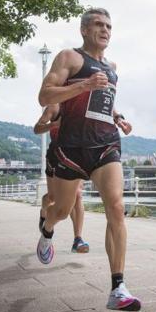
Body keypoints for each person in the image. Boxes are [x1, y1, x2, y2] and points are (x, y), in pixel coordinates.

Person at [36, 7, 139, 311]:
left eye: (109, 25)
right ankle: (47, 229)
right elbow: (45, 96)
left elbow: (104, 100)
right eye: (98, 24)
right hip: (71, 147)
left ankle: (117, 287)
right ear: (84, 29)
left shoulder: (112, 65)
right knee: (62, 209)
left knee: (117, 207)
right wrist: (82, 85)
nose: (105, 29)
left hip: (106, 144)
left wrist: (118, 117)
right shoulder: (69, 57)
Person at [34, 104, 89, 253]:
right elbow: (37, 128)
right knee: (52, 198)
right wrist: (53, 124)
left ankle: (78, 239)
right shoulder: (54, 107)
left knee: (77, 194)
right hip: (56, 155)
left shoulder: (83, 105)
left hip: (76, 154)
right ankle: (44, 213)